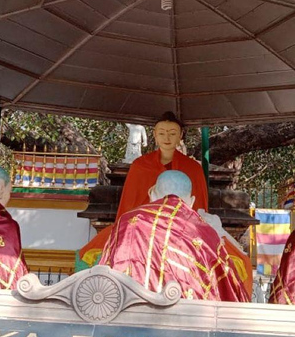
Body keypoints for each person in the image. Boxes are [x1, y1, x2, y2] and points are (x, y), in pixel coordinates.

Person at [79, 112, 209, 265]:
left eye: (172, 133)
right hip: (143, 228)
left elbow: (199, 206)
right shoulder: (140, 166)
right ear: (154, 134)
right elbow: (129, 205)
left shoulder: (193, 168)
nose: (167, 138)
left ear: (181, 135)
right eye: (161, 133)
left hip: (182, 230)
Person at [99, 171, 248, 302]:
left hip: (129, 310)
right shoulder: (204, 232)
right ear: (191, 201)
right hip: (189, 316)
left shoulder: (129, 221)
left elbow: (108, 271)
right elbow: (226, 286)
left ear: (152, 195)